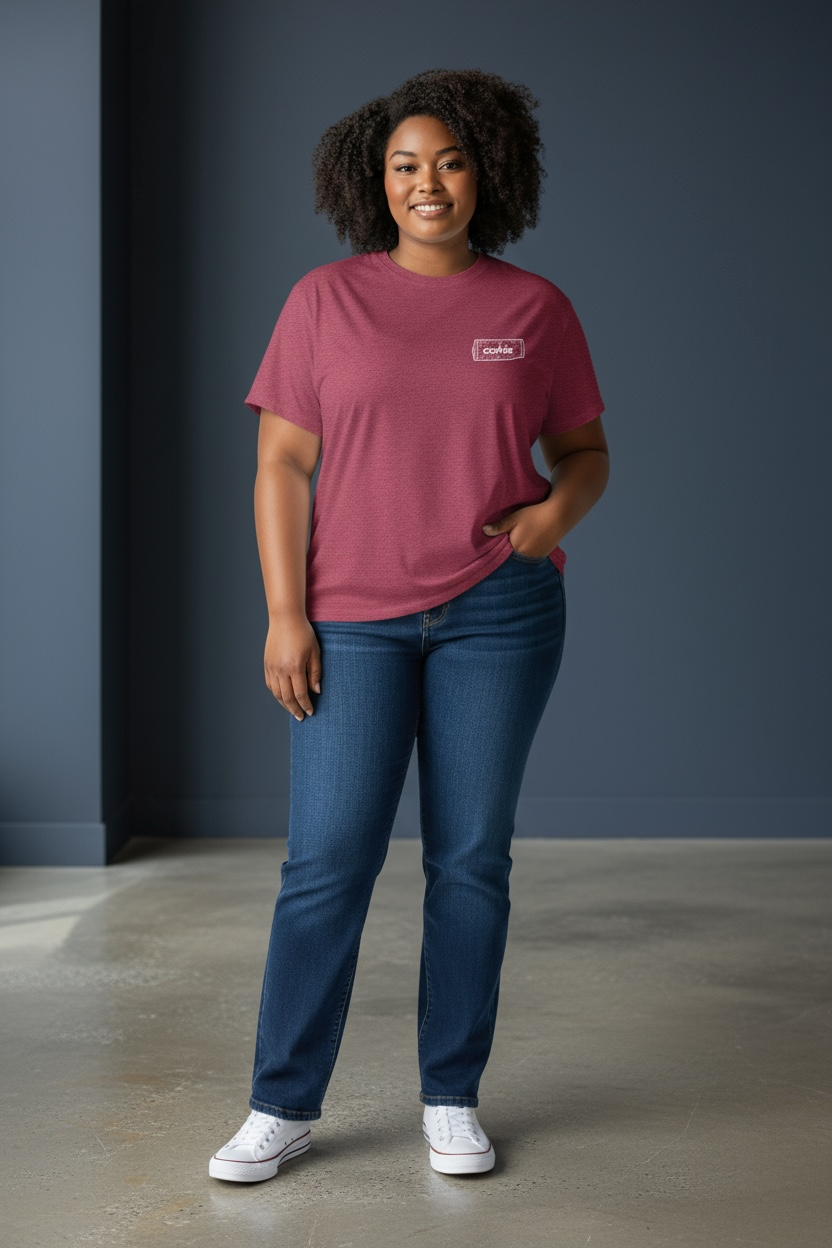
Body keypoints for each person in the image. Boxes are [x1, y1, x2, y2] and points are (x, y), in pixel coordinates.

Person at [209, 67, 609, 1183]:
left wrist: (545, 524)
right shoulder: (322, 301)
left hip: (499, 612)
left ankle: (450, 1095)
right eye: (403, 166)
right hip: (352, 619)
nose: (426, 183)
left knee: (471, 861)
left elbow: (585, 454)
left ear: (487, 172)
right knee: (326, 863)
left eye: (448, 161)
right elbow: (281, 463)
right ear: (371, 183)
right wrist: (286, 614)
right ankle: (281, 1103)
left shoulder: (535, 311)